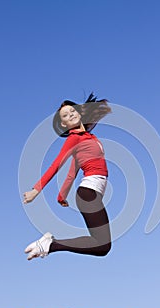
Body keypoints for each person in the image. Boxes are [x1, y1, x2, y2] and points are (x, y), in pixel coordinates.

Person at [23, 93, 112, 260]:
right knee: (103, 245)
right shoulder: (73, 139)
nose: (71, 114)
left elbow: (72, 172)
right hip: (88, 192)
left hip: (91, 192)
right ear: (63, 124)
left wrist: (61, 195)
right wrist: (36, 190)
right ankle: (50, 245)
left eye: (72, 111)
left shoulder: (88, 138)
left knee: (102, 245)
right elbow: (56, 164)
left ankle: (49, 245)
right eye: (65, 115)